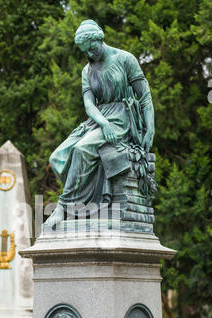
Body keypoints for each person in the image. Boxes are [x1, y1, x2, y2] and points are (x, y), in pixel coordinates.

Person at [45, 19, 155, 227]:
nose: (90, 54)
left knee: (82, 149)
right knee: (57, 157)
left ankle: (63, 207)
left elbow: (145, 96)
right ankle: (86, 208)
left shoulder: (125, 59)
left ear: (100, 38)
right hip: (98, 119)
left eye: (92, 48)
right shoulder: (86, 71)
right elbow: (89, 105)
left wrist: (150, 129)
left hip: (123, 118)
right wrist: (103, 123)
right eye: (85, 51)